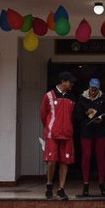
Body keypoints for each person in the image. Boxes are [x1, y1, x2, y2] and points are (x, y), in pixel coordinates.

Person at [41, 71, 78, 200]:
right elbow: (43, 115)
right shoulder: (49, 96)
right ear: (63, 81)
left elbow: (73, 116)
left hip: (67, 135)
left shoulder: (72, 98)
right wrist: (51, 127)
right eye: (70, 82)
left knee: (65, 162)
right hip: (52, 134)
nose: (72, 84)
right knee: (51, 161)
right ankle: (49, 185)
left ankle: (61, 189)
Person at [76, 77, 105, 197]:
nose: (93, 92)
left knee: (101, 157)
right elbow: (77, 116)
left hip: (100, 131)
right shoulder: (82, 98)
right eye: (92, 89)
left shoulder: (103, 98)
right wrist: (87, 113)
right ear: (89, 87)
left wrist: (101, 119)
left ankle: (101, 183)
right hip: (86, 131)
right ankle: (86, 184)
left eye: (96, 89)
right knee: (86, 157)